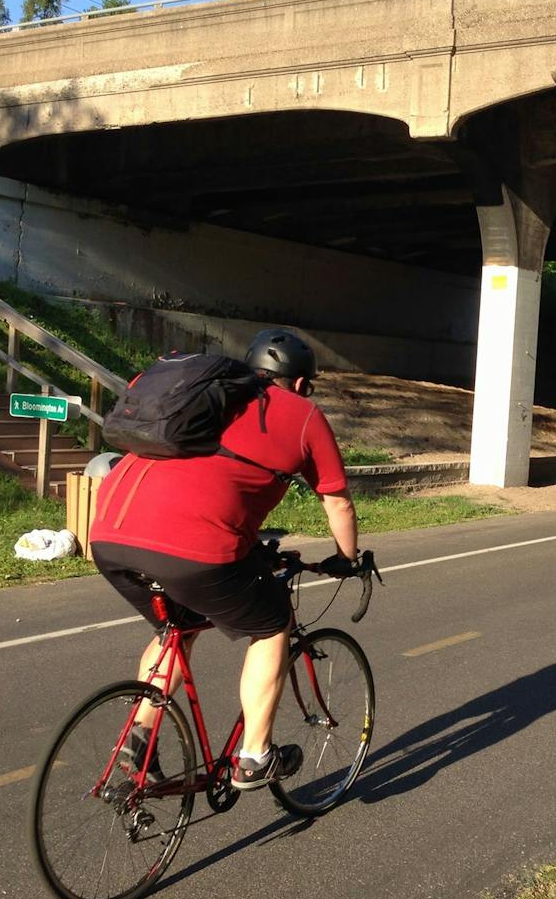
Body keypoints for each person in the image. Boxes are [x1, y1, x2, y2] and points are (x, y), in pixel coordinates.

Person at [89, 328, 361, 790]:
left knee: (177, 626)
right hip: (195, 546)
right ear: (298, 384)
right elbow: (337, 502)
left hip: (110, 532)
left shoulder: (204, 396)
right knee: (273, 623)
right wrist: (346, 558)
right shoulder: (301, 413)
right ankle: (254, 758)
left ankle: (140, 737)